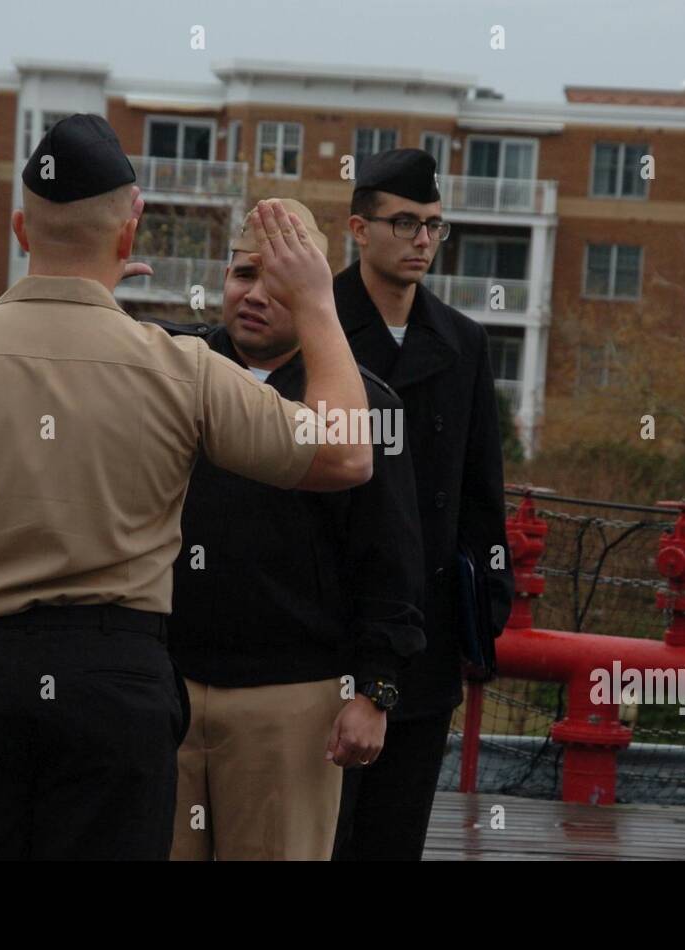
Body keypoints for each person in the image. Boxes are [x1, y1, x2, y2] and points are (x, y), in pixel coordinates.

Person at [0, 113, 372, 860]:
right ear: (129, 232)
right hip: (116, 687)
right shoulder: (181, 369)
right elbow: (346, 454)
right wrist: (316, 304)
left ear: (21, 228)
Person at [154, 199, 426, 861]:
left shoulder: (366, 406)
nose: (255, 296)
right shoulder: (168, 376)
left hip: (292, 697)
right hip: (164, 683)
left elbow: (391, 560)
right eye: (243, 274)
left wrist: (376, 691)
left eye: (280, 285)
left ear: (313, 297)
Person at [332, 148, 514, 861]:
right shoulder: (316, 326)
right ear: (359, 228)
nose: (423, 240)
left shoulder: (463, 342)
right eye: (405, 223)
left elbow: (482, 490)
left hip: (427, 638)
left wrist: (485, 612)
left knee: (395, 837)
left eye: (434, 225)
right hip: (328, 629)